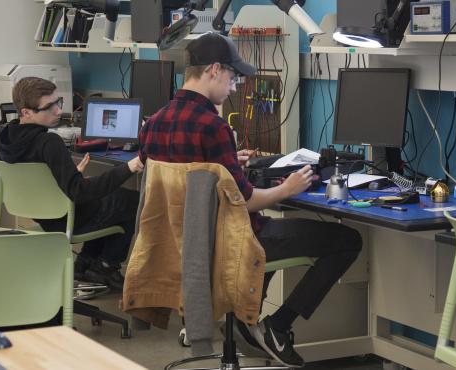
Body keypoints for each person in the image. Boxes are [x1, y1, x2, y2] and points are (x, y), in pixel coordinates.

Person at [138, 32, 362, 368]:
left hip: (182, 244)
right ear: (214, 70)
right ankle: (278, 325)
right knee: (346, 239)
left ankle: (248, 314)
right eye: (232, 78)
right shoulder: (212, 127)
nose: (234, 88)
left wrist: (230, 166)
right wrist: (287, 189)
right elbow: (244, 202)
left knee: (273, 232)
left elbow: (190, 182)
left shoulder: (154, 123)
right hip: (230, 244)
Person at [0, 77, 144, 289]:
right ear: (26, 112)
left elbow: (39, 177)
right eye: (49, 107)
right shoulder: (49, 142)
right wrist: (129, 167)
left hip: (43, 214)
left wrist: (70, 174)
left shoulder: (4, 139)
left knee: (106, 193)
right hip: (67, 218)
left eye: (59, 103)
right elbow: (80, 193)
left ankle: (85, 262)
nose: (58, 111)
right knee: (134, 200)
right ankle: (105, 265)